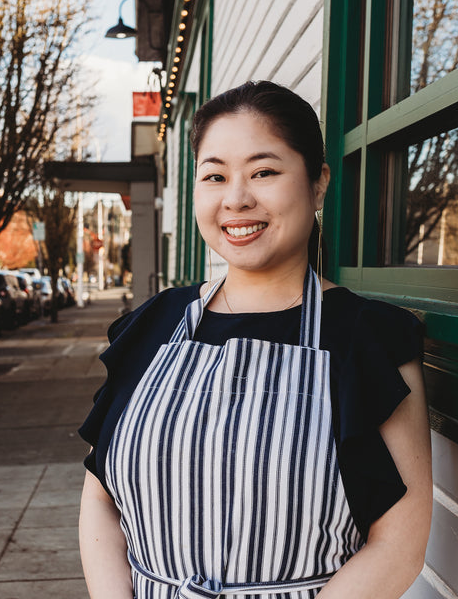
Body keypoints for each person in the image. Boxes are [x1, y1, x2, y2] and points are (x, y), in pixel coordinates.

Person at [78, 80, 432, 599]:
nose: (236, 199)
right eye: (215, 176)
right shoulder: (153, 324)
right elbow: (101, 497)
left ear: (317, 184)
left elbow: (400, 543)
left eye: (263, 172)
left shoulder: (368, 338)